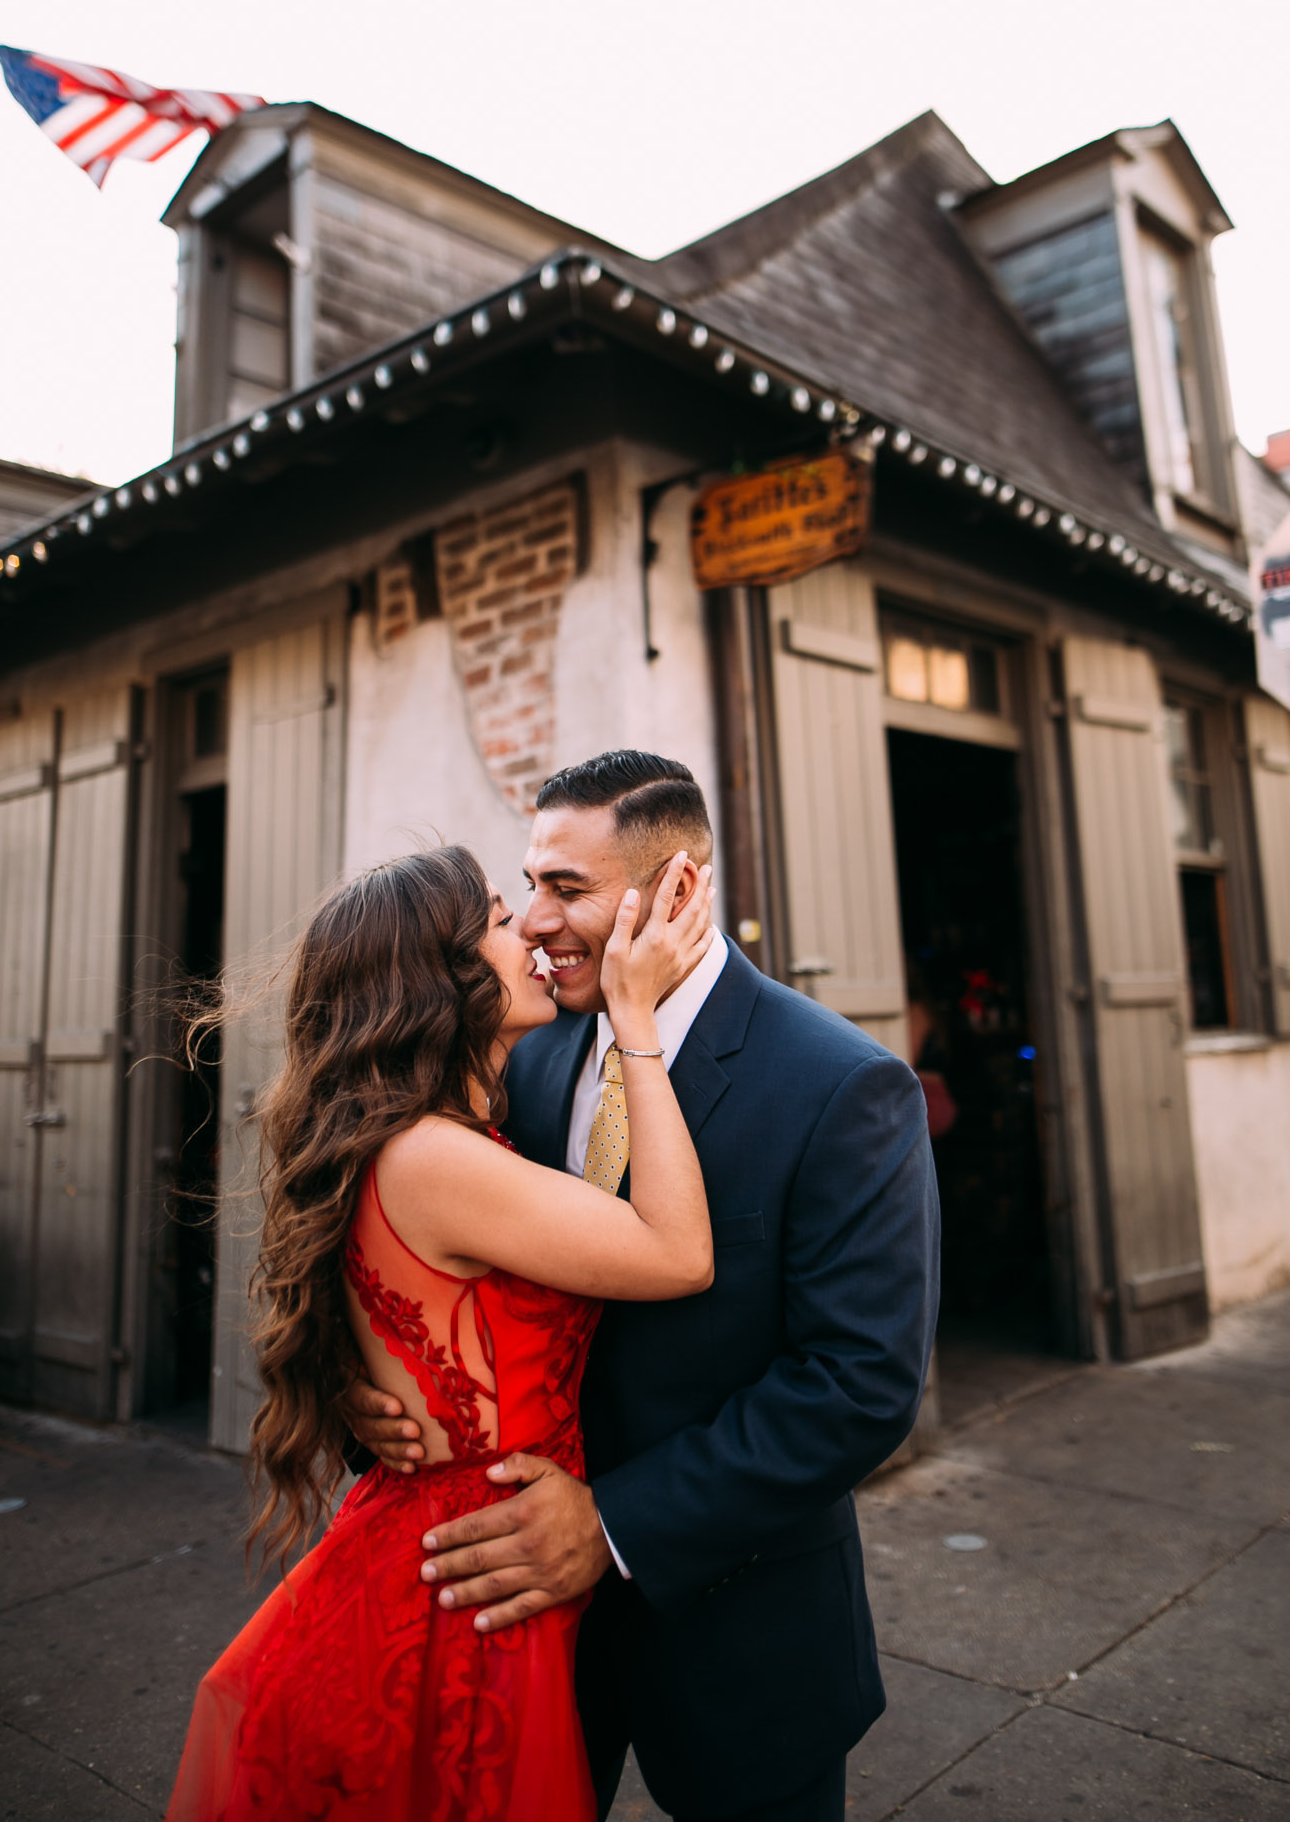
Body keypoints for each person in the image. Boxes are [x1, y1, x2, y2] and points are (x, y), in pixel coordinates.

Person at [346, 752, 941, 1822]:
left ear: (674, 888)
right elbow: (440, 1262)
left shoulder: (842, 1084)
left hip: (740, 1633)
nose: (533, 920)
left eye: (566, 888)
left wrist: (613, 1522)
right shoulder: (528, 1053)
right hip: (526, 1626)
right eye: (528, 884)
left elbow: (858, 1384)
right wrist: (375, 1388)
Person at [167, 841, 716, 1821]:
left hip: (462, 1539)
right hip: (464, 1583)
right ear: (444, 978)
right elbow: (676, 1251)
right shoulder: (433, 1156)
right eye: (503, 922)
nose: (533, 936)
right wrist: (636, 1017)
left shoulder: (446, 1137)